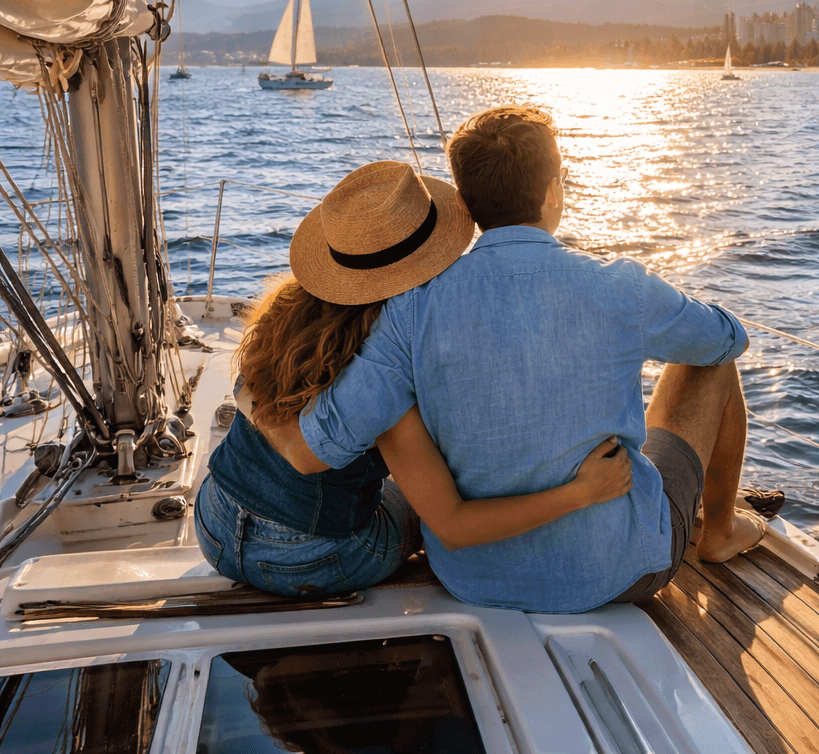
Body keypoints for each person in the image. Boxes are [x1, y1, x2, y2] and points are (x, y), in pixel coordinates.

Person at [276, 105, 767, 613]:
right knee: (711, 362)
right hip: (616, 572)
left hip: (471, 578)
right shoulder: (621, 287)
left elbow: (322, 444)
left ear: (463, 203)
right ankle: (720, 531)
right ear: (553, 190)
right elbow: (728, 339)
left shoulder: (410, 311)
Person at [194, 161, 632, 597]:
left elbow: (256, 401)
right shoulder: (385, 371)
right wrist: (582, 492)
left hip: (215, 522)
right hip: (318, 558)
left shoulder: (287, 309)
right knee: (427, 506)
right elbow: (453, 526)